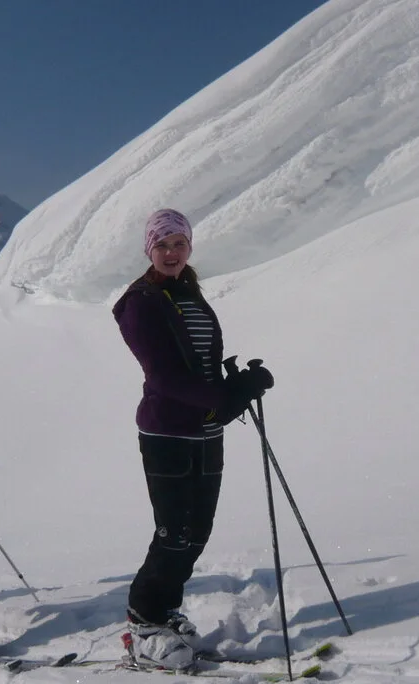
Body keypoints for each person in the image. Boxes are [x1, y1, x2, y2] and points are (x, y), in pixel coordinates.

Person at [112, 209, 274, 669]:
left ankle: (164, 610)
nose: (171, 252)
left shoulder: (188, 292)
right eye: (162, 245)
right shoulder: (140, 302)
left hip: (205, 430)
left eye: (178, 243)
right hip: (167, 431)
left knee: (197, 532)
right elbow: (162, 375)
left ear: (189, 247)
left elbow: (199, 363)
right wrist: (224, 399)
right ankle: (144, 623)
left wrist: (236, 385)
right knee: (173, 533)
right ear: (149, 249)